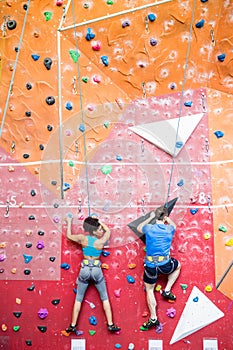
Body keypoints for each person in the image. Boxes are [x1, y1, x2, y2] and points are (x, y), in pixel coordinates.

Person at [62, 215, 120, 335]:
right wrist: (99, 220)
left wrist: (69, 222)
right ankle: (110, 324)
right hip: (96, 270)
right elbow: (108, 230)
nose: (101, 231)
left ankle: (72, 325)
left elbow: (68, 236)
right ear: (94, 230)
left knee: (79, 298)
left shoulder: (83, 239)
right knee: (104, 297)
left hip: (85, 268)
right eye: (99, 229)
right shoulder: (101, 241)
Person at [137, 206, 181, 330]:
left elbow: (139, 228)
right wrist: (168, 219)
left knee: (150, 290)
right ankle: (167, 290)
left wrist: (150, 218)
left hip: (151, 266)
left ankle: (153, 317)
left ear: (155, 216)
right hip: (165, 264)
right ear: (165, 217)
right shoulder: (169, 229)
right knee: (178, 266)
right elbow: (175, 226)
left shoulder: (149, 228)